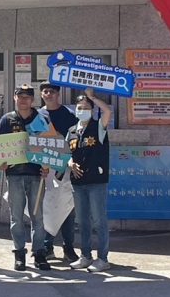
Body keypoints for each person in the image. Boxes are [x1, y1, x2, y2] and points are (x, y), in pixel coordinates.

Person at [0, 83, 51, 272]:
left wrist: (47, 166)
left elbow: (50, 145)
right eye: (20, 96)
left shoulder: (42, 119)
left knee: (38, 217)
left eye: (27, 97)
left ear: (33, 100)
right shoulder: (7, 119)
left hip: (37, 174)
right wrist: (0, 164)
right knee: (16, 217)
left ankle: (39, 253)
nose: (23, 100)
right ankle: (19, 254)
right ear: (14, 98)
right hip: (14, 175)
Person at [67, 88, 114, 272]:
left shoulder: (98, 126)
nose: (82, 110)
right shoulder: (71, 131)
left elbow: (107, 111)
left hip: (96, 180)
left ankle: (103, 259)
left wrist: (92, 97)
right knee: (82, 221)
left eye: (86, 107)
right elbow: (69, 154)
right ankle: (85, 256)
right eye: (79, 107)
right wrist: (70, 164)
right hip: (78, 182)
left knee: (99, 221)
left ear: (92, 110)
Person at [39, 81, 79, 263]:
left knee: (67, 208)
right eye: (45, 92)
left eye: (52, 92)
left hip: (66, 167)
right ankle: (47, 246)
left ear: (58, 94)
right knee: (47, 208)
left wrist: (69, 162)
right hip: (45, 168)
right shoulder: (37, 115)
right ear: (41, 95)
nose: (49, 94)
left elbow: (76, 141)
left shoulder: (69, 115)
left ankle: (68, 247)